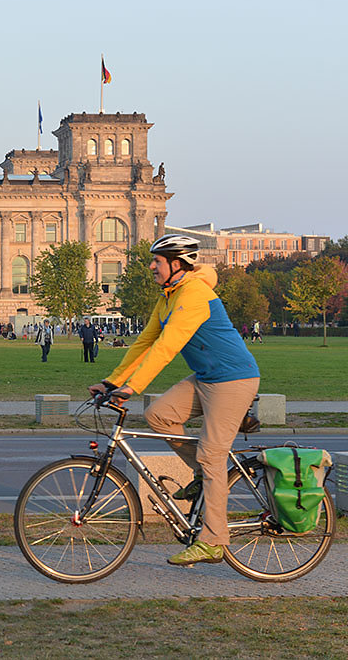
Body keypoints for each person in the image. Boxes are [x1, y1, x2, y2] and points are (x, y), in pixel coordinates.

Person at [88, 234, 260, 567]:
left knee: (212, 456)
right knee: (159, 415)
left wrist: (133, 387)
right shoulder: (168, 297)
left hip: (233, 380)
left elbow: (167, 347)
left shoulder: (194, 294)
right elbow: (143, 344)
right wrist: (112, 381)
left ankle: (212, 541)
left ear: (176, 264)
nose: (151, 266)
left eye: (158, 261)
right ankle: (204, 474)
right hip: (207, 377)